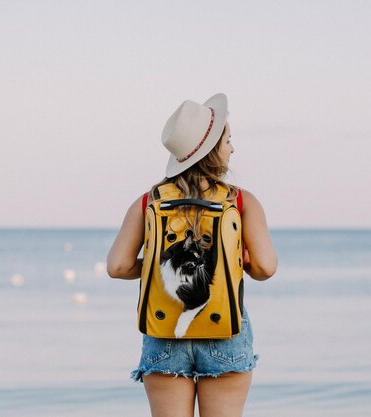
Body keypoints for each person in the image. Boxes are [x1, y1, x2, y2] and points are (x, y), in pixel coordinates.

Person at [107, 93, 277, 417]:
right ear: (214, 151)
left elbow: (117, 266)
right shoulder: (241, 202)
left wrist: (158, 268)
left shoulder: (149, 202)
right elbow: (266, 267)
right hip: (225, 331)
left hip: (165, 333)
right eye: (228, 141)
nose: (232, 148)